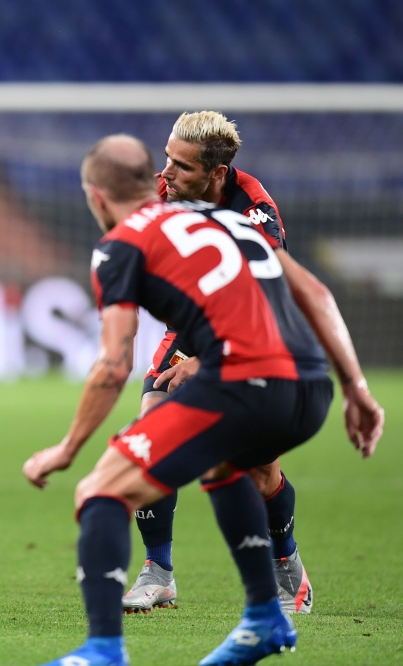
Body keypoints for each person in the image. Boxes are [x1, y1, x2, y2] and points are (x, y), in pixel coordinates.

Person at [23, 135, 384, 666]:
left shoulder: (121, 244)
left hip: (242, 380)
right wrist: (356, 388)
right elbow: (316, 294)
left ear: (95, 197)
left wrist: (66, 447)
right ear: (153, 180)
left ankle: (103, 650)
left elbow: (114, 364)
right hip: (310, 385)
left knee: (100, 492)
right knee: (223, 463)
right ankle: (260, 616)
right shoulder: (230, 220)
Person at [124, 111, 311, 615]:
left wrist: (207, 362)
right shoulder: (160, 195)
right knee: (150, 439)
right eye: (167, 158)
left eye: (181, 166)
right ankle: (157, 571)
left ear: (217, 174)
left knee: (258, 470)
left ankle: (286, 564)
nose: (166, 173)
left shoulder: (254, 212)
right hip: (192, 329)